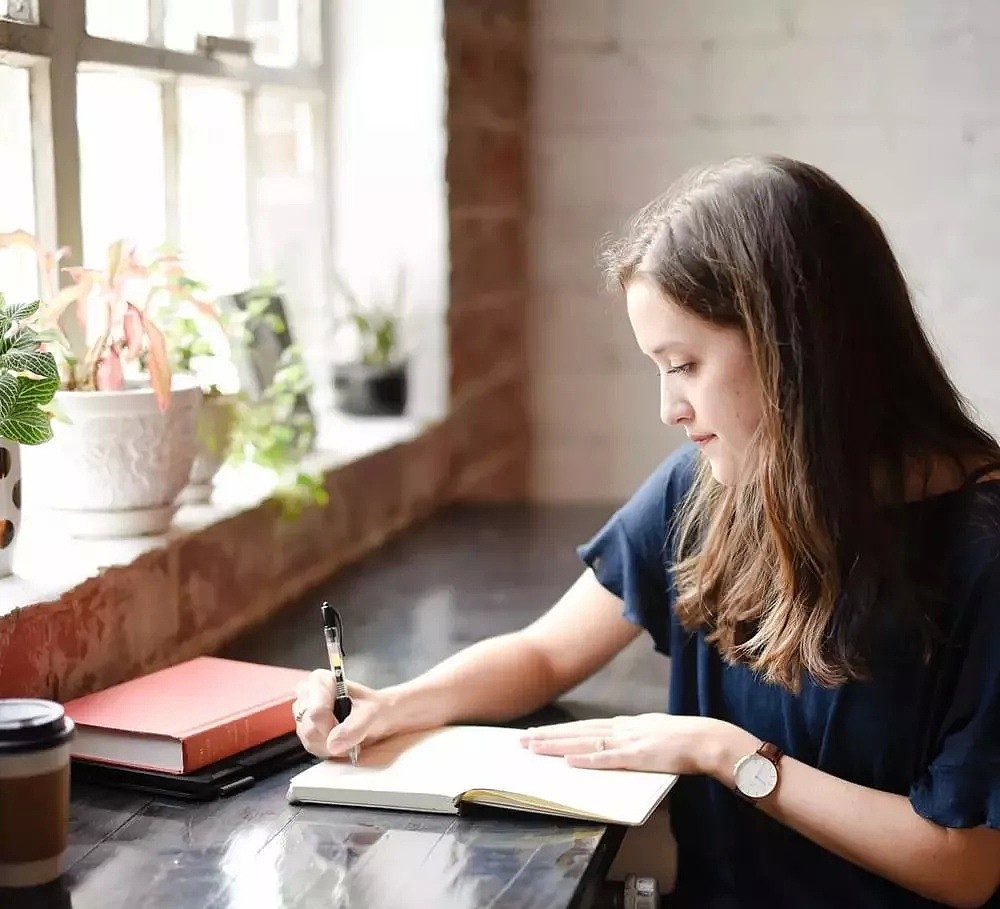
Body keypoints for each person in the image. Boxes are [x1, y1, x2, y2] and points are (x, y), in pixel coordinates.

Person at [293, 155, 1000, 908]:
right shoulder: (705, 488)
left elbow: (961, 862)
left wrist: (729, 754)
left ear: (796, 347)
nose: (669, 408)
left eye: (685, 364)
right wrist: (398, 703)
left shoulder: (980, 551)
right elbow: (545, 652)